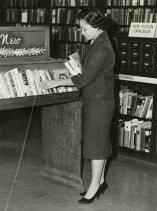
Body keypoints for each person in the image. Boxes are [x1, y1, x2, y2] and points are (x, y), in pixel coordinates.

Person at [41, 8, 115, 204]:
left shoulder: (101, 48)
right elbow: (89, 72)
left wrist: (55, 82)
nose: (82, 32)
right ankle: (100, 181)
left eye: (84, 28)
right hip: (97, 99)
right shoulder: (98, 41)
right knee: (100, 142)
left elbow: (83, 79)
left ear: (96, 26)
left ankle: (94, 187)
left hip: (99, 102)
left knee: (96, 146)